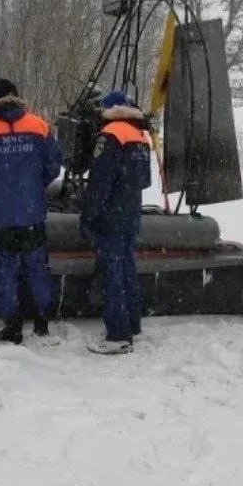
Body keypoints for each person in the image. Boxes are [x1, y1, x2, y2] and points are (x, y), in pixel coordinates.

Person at [0, 77, 62, 344]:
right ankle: (42, 319)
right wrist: (32, 184)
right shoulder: (39, 125)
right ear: (16, 96)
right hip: (31, 213)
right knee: (37, 267)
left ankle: (12, 323)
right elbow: (54, 165)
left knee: (5, 270)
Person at [79, 90, 153, 354]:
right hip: (131, 213)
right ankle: (132, 323)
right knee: (127, 270)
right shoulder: (141, 136)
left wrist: (88, 217)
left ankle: (117, 336)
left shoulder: (110, 135)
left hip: (110, 216)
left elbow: (99, 184)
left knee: (112, 274)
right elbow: (145, 181)